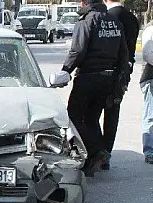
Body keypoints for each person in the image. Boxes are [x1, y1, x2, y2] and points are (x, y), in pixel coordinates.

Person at [62, 0, 128, 177]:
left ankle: (98, 151)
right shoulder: (114, 21)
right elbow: (124, 53)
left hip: (87, 77)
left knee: (73, 117)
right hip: (108, 78)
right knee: (91, 119)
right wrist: (120, 79)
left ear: (85, 2)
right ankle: (93, 158)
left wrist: (65, 71)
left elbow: (77, 50)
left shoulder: (87, 20)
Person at [100, 0, 140, 169]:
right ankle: (106, 154)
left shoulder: (107, 17)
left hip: (105, 70)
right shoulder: (132, 18)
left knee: (91, 114)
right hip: (124, 73)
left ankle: (97, 152)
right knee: (112, 114)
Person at [141, 23, 153, 164]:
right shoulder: (151, 30)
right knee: (150, 116)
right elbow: (147, 54)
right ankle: (149, 151)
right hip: (151, 78)